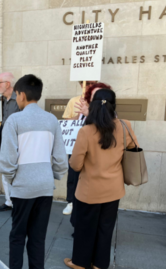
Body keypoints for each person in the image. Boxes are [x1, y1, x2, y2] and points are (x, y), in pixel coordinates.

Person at [0, 74, 68, 269]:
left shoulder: (14, 120)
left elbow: (7, 160)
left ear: (20, 95)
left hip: (23, 187)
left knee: (17, 236)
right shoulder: (52, 120)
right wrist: (50, 174)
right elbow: (61, 160)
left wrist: (13, 178)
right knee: (38, 238)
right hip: (45, 187)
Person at [64, 89, 138, 269]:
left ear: (93, 106)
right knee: (106, 228)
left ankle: (80, 262)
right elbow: (133, 148)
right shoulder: (125, 125)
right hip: (114, 189)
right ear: (114, 106)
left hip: (88, 191)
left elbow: (75, 165)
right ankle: (99, 264)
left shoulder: (86, 131)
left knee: (85, 228)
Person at [62, 80, 97, 215]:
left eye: (90, 83)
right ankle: (71, 201)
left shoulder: (98, 101)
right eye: (83, 83)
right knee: (73, 173)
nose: (86, 85)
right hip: (75, 143)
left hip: (93, 144)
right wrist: (78, 116)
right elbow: (66, 121)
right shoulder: (74, 100)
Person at [0, 72, 20, 212]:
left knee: (15, 173)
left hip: (15, 143)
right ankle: (9, 201)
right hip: (3, 140)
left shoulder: (19, 100)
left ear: (8, 84)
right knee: (4, 171)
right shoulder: (4, 100)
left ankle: (16, 202)